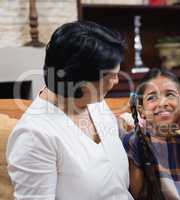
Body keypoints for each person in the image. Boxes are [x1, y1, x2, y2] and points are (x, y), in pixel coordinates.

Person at [6, 21, 134, 200]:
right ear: (77, 79)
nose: (116, 81)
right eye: (109, 76)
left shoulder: (94, 101)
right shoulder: (34, 136)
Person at [121, 68, 180, 200]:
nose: (162, 103)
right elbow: (136, 195)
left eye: (170, 94)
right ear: (141, 110)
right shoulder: (135, 141)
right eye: (152, 97)